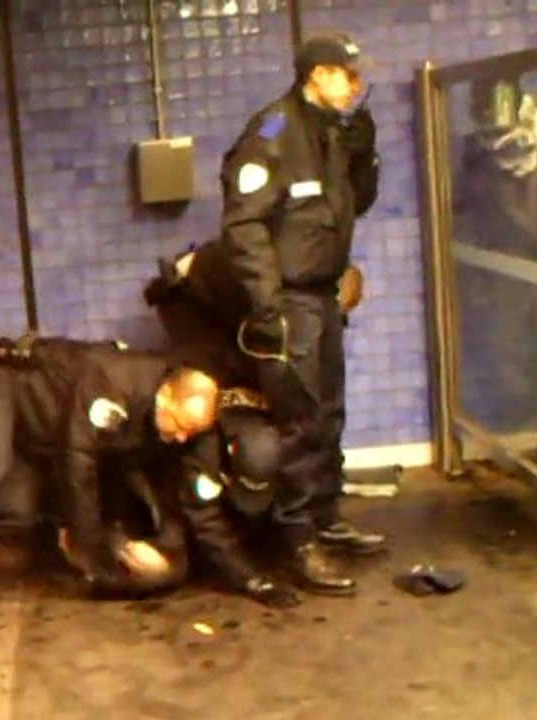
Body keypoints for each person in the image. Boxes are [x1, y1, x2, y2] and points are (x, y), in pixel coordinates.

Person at [143, 30, 385, 596]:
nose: (357, 85)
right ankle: (297, 539)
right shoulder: (272, 133)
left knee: (327, 411)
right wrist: (266, 304)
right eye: (348, 74)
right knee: (299, 420)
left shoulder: (332, 133)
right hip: (291, 300)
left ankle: (326, 517)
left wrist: (364, 153)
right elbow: (244, 225)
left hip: (323, 295)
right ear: (317, 74)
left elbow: (360, 202)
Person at [0, 335, 221, 619]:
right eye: (179, 427)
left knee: (16, 510)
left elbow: (128, 477)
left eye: (190, 434)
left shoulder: (161, 416)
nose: (181, 439)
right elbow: (78, 463)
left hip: (37, 429)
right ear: (166, 397)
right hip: (3, 383)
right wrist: (94, 554)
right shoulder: (113, 381)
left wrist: (162, 549)